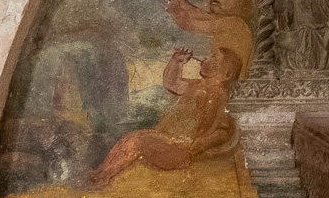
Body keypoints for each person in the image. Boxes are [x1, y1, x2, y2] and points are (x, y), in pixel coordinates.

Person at [88, 47, 243, 188]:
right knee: (131, 138)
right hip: (170, 142)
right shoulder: (196, 87)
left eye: (214, 58)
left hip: (183, 153)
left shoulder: (220, 97)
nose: (206, 59)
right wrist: (177, 62)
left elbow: (223, 132)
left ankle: (103, 178)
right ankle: (100, 173)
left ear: (226, 75)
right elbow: (171, 83)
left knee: (138, 142)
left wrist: (197, 147)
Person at [163, 0, 255, 78]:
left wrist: (175, 11)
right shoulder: (225, 20)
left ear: (240, 7)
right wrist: (182, 1)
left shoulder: (233, 23)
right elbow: (198, 13)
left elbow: (189, 24)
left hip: (228, 79)